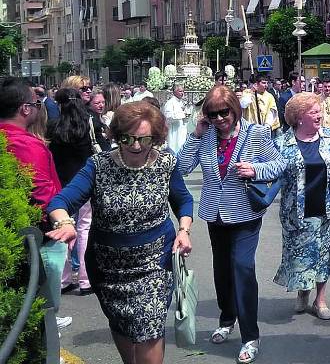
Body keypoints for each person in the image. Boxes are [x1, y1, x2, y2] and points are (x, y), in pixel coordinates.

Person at [47, 101, 193, 364]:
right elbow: (61, 201)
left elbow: (183, 200)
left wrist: (184, 230)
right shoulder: (98, 165)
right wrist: (64, 223)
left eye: (143, 139)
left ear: (156, 137)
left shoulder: (167, 163)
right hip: (107, 267)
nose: (135, 146)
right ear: (115, 136)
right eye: (127, 138)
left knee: (149, 327)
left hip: (155, 264)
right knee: (122, 323)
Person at [176, 85, 286, 363]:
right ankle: (227, 319)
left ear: (234, 109)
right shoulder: (206, 135)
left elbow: (279, 165)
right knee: (222, 270)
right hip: (216, 214)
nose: (219, 119)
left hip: (246, 214)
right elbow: (182, 167)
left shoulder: (257, 133)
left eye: (223, 112)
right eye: (212, 114)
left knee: (242, 268)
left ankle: (250, 335)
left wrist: (256, 169)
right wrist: (195, 134)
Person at [0, 78, 71, 330]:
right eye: (36, 103)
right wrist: (63, 222)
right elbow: (43, 193)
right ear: (25, 109)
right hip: (38, 234)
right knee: (42, 307)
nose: (39, 107)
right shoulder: (25, 144)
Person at [274, 93, 330, 320]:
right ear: (298, 117)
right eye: (314, 112)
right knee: (301, 255)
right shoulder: (281, 143)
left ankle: (320, 300)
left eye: (320, 111)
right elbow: (272, 173)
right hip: (296, 211)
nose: (320, 115)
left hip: (327, 207)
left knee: (323, 255)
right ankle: (303, 292)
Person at [47, 88, 98, 296]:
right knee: (85, 227)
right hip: (84, 182)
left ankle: (63, 279)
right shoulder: (89, 124)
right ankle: (86, 279)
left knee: (61, 229)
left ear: (60, 105)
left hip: (61, 185)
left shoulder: (54, 127)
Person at [163, 84, 189, 153]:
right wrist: (182, 115)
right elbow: (168, 116)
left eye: (183, 91)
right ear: (174, 92)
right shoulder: (170, 103)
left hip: (181, 130)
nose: (182, 93)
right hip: (174, 131)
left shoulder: (181, 102)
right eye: (180, 91)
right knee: (174, 149)